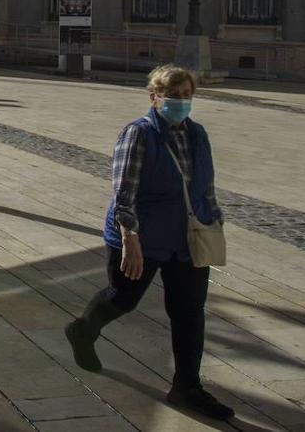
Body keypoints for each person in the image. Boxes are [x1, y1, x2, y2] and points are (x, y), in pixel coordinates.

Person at [65, 64, 233, 421]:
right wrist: (130, 238)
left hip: (186, 241)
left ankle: (187, 387)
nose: (181, 102)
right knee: (123, 298)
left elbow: (205, 184)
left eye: (187, 96)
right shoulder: (138, 134)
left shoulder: (198, 134)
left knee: (189, 314)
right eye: (173, 96)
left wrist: (214, 220)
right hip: (140, 237)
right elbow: (123, 191)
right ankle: (83, 330)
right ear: (154, 97)